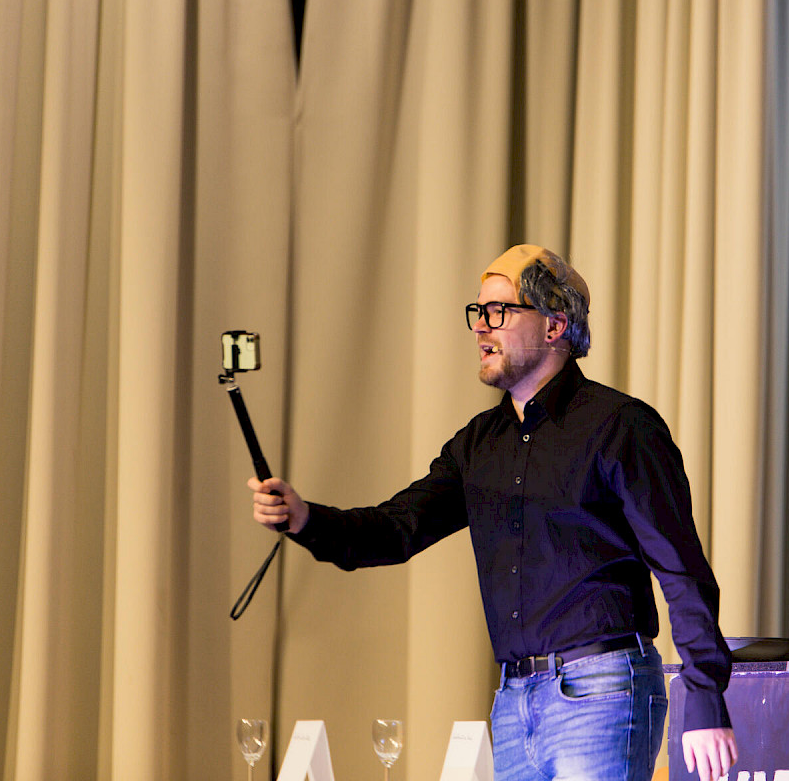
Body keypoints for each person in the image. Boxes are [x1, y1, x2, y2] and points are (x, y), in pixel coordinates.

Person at [249, 244, 738, 781]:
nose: (481, 326)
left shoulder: (620, 426)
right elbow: (396, 529)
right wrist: (304, 518)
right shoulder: (478, 445)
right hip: (513, 703)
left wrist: (704, 696)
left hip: (601, 692)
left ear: (554, 325)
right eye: (478, 311)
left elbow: (681, 569)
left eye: (500, 311)